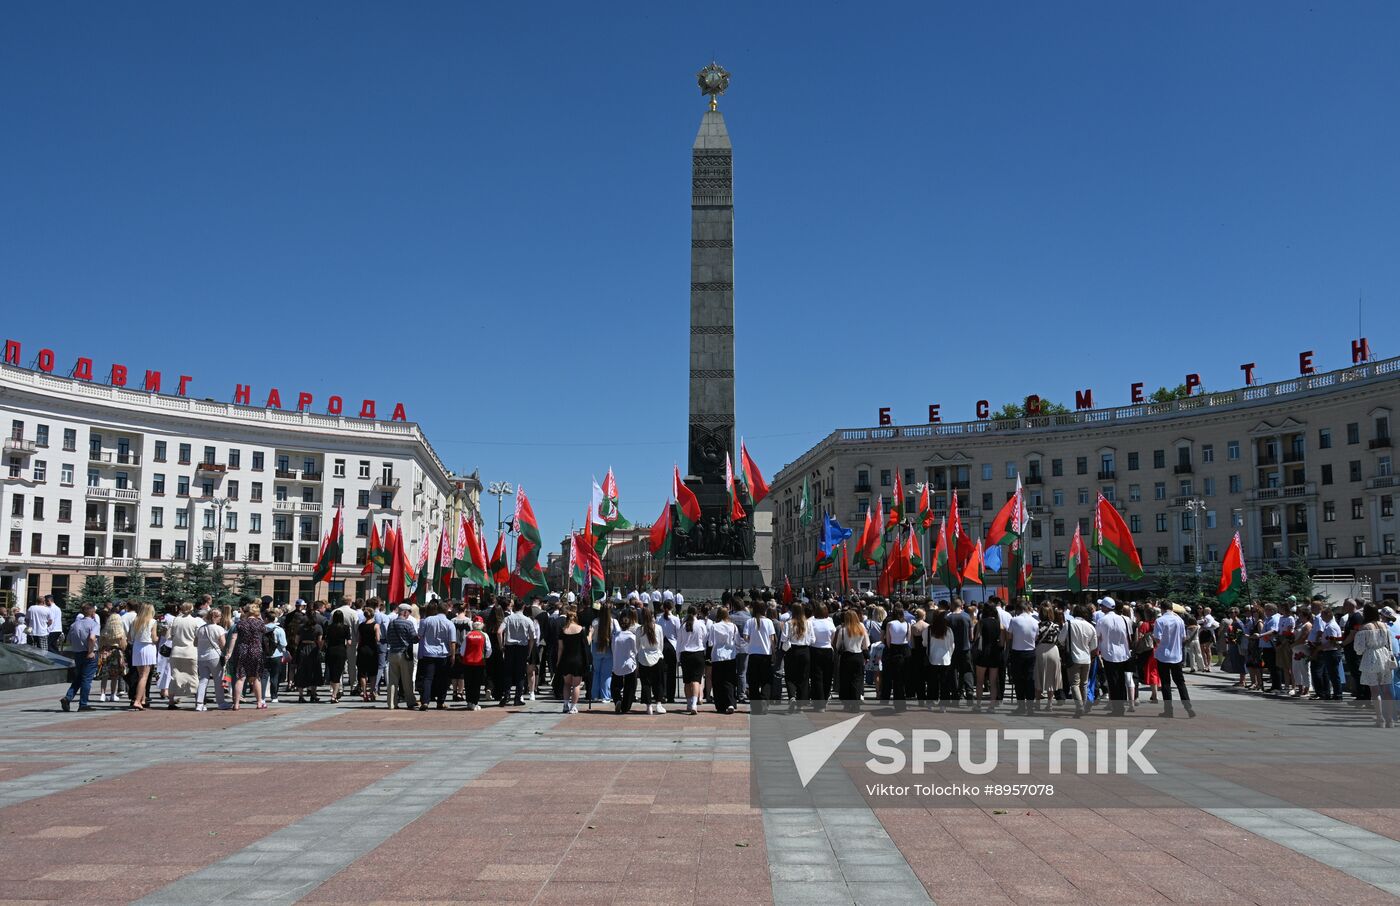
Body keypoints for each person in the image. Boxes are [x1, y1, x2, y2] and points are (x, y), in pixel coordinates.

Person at [1353, 604, 1397, 726]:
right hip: (1385, 655)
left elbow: (1359, 649)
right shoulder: (1384, 626)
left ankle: (1380, 718)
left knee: (1375, 690)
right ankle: (1390, 719)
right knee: (1387, 689)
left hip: (1371, 657)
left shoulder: (1364, 628)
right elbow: (1389, 644)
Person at [225, 602, 267, 711]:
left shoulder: (240, 623)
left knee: (240, 677)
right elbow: (264, 631)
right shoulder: (260, 624)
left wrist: (229, 652)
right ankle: (259, 703)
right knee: (256, 677)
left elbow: (234, 638)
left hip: (242, 651)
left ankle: (236, 704)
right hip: (256, 651)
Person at [58, 603, 100, 712]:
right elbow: (92, 638)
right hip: (89, 653)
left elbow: (69, 640)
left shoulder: (74, 624)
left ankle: (68, 697)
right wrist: (90, 651)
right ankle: (83, 704)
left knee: (79, 677)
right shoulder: (94, 624)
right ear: (92, 612)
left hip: (77, 653)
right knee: (87, 679)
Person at [1153, 603, 1193, 717]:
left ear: (1162, 608)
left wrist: (1155, 639)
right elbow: (1183, 637)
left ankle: (1168, 710)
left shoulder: (1160, 620)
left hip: (1163, 655)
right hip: (1176, 655)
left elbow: (1157, 638)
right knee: (1180, 682)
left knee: (1166, 683)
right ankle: (1188, 707)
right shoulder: (1179, 620)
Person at [417, 602, 457, 710]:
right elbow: (452, 642)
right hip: (443, 654)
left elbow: (419, 635)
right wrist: (453, 655)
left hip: (428, 653)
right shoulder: (449, 623)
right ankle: (440, 701)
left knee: (428, 678)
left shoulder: (427, 620)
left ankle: (425, 701)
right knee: (442, 679)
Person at [1096, 601, 1134, 715]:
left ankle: (1117, 708)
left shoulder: (1102, 620)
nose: (1101, 607)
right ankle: (1120, 706)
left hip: (1109, 654)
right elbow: (1129, 637)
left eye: (1102, 605)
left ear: (1107, 607)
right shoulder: (1125, 619)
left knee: (1113, 682)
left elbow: (1098, 637)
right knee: (1121, 681)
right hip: (1123, 653)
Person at [499, 599, 537, 707]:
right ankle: (517, 697)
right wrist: (529, 651)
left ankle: (506, 695)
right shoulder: (527, 620)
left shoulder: (508, 619)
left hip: (509, 647)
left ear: (514, 606)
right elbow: (532, 637)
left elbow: (499, 631)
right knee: (520, 673)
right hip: (522, 647)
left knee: (508, 672)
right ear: (523, 607)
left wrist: (502, 645)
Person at [165, 602, 201, 710]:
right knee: (194, 676)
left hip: (176, 652)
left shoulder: (176, 620)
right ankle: (197, 701)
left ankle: (171, 701)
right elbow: (198, 637)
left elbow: (170, 636)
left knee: (174, 676)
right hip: (190, 651)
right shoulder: (195, 621)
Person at [1064, 605, 1097, 716]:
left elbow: (1060, 639)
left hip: (1073, 657)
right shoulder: (1090, 626)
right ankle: (1083, 704)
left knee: (1074, 684)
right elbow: (1094, 646)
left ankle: (1079, 706)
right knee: (1084, 684)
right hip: (1086, 658)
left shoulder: (1069, 624)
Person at [677, 604, 710, 715]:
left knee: (687, 681)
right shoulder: (700, 625)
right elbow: (705, 638)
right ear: (697, 613)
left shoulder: (683, 625)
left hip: (685, 654)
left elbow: (679, 642)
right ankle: (695, 704)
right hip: (698, 654)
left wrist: (678, 657)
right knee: (696, 680)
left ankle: (689, 703)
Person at [385, 604, 419, 710]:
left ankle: (391, 703)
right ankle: (410, 701)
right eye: (409, 611)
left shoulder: (391, 623)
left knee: (393, 680)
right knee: (407, 680)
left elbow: (388, 638)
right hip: (404, 654)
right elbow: (414, 638)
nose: (409, 614)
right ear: (404, 612)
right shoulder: (408, 623)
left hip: (392, 653)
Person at [744, 603, 777, 711]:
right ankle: (764, 700)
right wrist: (773, 652)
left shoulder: (749, 621)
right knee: (766, 680)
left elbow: (745, 636)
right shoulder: (768, 622)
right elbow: (772, 639)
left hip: (753, 654)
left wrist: (752, 642)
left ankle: (755, 705)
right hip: (765, 654)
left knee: (753, 681)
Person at [195, 608, 229, 711]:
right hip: (214, 657)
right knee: (218, 681)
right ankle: (221, 702)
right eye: (219, 617)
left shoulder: (200, 629)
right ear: (215, 617)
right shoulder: (218, 629)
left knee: (203, 680)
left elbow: (195, 643)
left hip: (201, 657)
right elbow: (223, 645)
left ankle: (199, 703)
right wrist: (227, 652)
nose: (220, 619)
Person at [972, 602, 1004, 712]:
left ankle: (979, 704)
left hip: (982, 653)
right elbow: (1002, 643)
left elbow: (975, 638)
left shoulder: (981, 623)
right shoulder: (999, 624)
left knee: (980, 681)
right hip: (995, 653)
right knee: (993, 681)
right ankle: (992, 706)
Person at [634, 608, 667, 715]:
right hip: (657, 656)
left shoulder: (639, 629)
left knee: (646, 683)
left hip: (644, 657)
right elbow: (661, 644)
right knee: (658, 682)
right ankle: (658, 703)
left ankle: (648, 706)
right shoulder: (658, 628)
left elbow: (637, 646)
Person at [783, 601, 814, 710]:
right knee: (803, 677)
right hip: (805, 650)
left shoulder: (788, 623)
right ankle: (801, 702)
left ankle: (792, 696)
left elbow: (784, 638)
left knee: (790, 676)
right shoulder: (808, 623)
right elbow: (813, 639)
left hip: (792, 651)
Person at [556, 607, 587, 714]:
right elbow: (585, 646)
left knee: (566, 684)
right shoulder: (580, 629)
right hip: (578, 660)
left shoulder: (563, 630)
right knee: (576, 685)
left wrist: (558, 661)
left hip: (565, 659)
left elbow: (560, 648)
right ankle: (573, 706)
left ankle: (565, 704)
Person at [709, 606, 739, 714]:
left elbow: (710, 642)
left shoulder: (714, 626)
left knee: (717, 681)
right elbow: (737, 641)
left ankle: (720, 705)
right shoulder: (733, 626)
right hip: (730, 655)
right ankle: (730, 702)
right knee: (729, 680)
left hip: (717, 655)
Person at [128, 604, 159, 710]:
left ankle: (143, 699)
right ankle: (137, 700)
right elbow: (154, 638)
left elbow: (129, 637)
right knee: (144, 676)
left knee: (140, 675)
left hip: (137, 647)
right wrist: (160, 637)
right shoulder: (152, 621)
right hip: (147, 647)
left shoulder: (135, 621)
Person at [609, 610, 639, 714]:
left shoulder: (615, 636)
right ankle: (625, 706)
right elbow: (636, 650)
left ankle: (617, 699)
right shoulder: (632, 636)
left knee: (615, 686)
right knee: (630, 687)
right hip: (629, 664)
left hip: (617, 663)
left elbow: (613, 649)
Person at [1033, 604, 1062, 712]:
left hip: (1040, 650)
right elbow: (1060, 640)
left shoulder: (1038, 626)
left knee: (1038, 676)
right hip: (1053, 650)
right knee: (1051, 678)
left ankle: (1037, 702)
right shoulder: (1056, 626)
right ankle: (1050, 703)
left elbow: (1035, 639)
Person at [459, 616, 492, 710]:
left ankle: (469, 702)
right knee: (477, 684)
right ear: (482, 625)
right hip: (479, 662)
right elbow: (489, 650)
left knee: (468, 683)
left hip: (467, 663)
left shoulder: (468, 635)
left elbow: (462, 651)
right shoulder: (484, 635)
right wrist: (486, 657)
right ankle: (475, 702)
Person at [924, 609, 954, 710]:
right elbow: (952, 644)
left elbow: (924, 643)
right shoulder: (948, 630)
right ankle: (943, 704)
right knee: (945, 683)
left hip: (932, 658)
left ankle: (931, 702)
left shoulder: (929, 629)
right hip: (945, 659)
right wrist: (950, 655)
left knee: (932, 682)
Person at [879, 604, 908, 706]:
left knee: (886, 675)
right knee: (899, 678)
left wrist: (886, 644)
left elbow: (883, 637)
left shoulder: (888, 621)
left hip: (890, 650)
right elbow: (908, 639)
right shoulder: (906, 623)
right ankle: (900, 699)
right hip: (903, 650)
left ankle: (885, 698)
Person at [809, 602, 836, 710]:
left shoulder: (812, 622)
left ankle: (818, 702)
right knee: (827, 677)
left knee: (817, 677)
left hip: (815, 649)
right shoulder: (830, 622)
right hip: (828, 649)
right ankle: (824, 699)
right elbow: (833, 636)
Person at [294, 608, 325, 704]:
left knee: (301, 671)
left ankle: (301, 695)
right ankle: (313, 694)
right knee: (314, 671)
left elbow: (296, 641)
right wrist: (320, 649)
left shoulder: (301, 627)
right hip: (313, 648)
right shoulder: (318, 627)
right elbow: (320, 641)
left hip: (303, 648)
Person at [321, 609, 351, 704]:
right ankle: (334, 695)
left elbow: (324, 640)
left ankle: (332, 691)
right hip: (341, 651)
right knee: (338, 673)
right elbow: (349, 642)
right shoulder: (345, 627)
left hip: (330, 650)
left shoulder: (328, 627)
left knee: (331, 672)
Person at [96, 613, 128, 703]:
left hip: (106, 653)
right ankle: (113, 694)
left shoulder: (105, 631)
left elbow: (100, 643)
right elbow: (123, 645)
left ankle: (102, 694)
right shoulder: (121, 632)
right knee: (115, 675)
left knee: (105, 675)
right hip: (116, 653)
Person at [261, 609, 288, 704]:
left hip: (263, 655)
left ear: (266, 618)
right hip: (277, 655)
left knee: (264, 677)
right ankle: (274, 697)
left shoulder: (261, 629)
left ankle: (262, 697)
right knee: (275, 676)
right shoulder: (279, 630)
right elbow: (284, 644)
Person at [356, 602, 382, 702]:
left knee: (362, 673)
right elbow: (378, 639)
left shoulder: (361, 626)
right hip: (372, 650)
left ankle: (364, 692)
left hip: (362, 649)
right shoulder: (376, 625)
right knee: (372, 672)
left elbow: (359, 639)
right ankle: (372, 691)